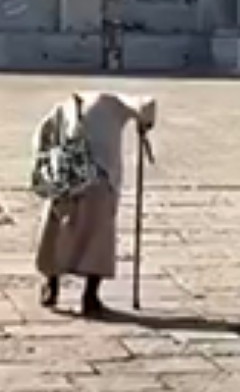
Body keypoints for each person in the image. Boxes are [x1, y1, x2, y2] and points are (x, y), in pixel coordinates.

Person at [32, 91, 158, 317]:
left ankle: (52, 285)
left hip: (66, 176)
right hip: (101, 178)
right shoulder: (115, 103)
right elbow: (146, 104)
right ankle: (90, 296)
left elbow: (43, 134)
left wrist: (45, 167)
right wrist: (146, 123)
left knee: (57, 232)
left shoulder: (65, 106)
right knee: (98, 237)